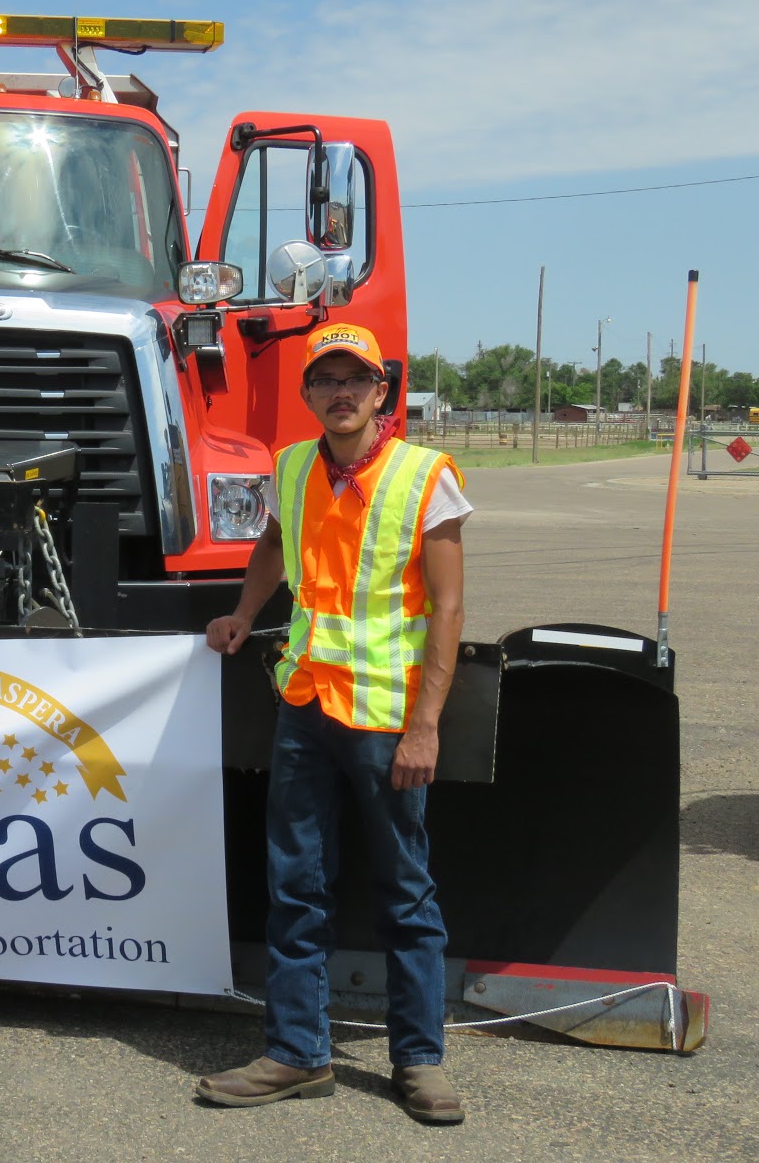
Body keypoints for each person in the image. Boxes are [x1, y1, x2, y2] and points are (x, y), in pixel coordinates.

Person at [196, 322, 470, 1123]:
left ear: (381, 391)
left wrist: (427, 725)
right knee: (296, 888)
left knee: (406, 892)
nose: (340, 392)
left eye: (356, 379)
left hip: (386, 719)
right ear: (309, 393)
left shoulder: (427, 476)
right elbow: (275, 544)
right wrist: (244, 614)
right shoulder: (290, 466)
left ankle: (419, 1060)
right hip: (306, 704)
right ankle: (296, 1054)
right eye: (326, 380)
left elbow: (449, 606)